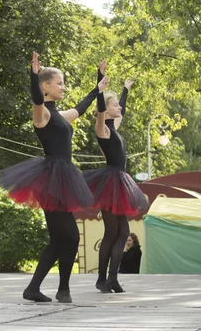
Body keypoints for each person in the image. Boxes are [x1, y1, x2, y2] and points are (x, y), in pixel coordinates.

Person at [0, 52, 102, 304]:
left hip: (62, 179)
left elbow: (80, 109)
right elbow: (35, 99)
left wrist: (97, 85)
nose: (63, 86)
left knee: (59, 240)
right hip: (51, 180)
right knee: (71, 237)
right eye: (60, 83)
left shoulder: (58, 115)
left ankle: (41, 289)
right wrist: (33, 76)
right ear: (46, 86)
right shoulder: (42, 114)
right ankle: (60, 289)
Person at [83, 63, 149, 293]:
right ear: (105, 108)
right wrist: (100, 83)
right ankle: (103, 279)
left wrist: (125, 90)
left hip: (119, 182)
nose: (118, 106)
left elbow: (122, 110)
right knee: (112, 232)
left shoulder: (115, 127)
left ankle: (112, 278)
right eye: (114, 104)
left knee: (122, 232)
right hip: (111, 182)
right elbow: (101, 110)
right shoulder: (103, 129)